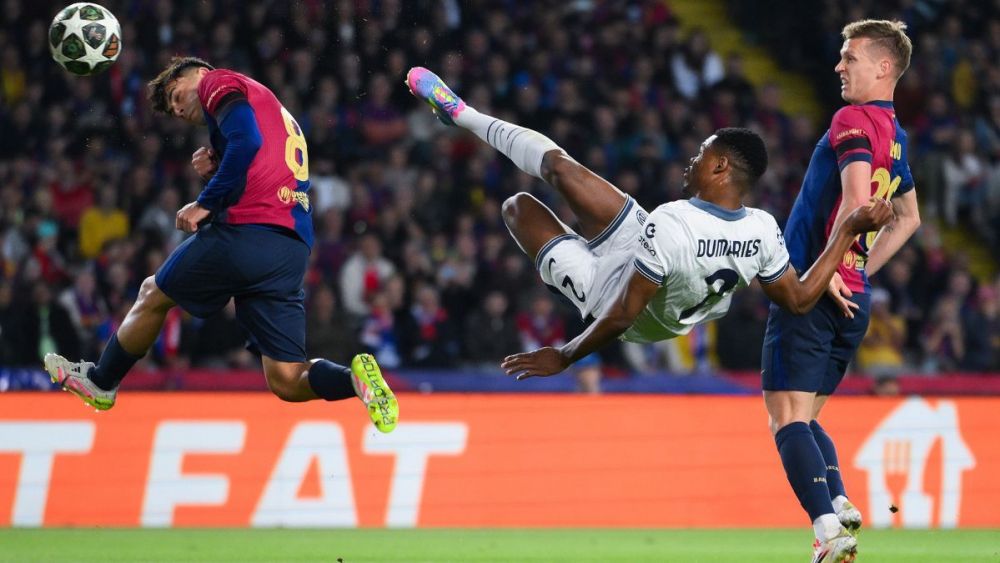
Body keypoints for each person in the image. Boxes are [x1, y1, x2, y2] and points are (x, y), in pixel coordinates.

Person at [405, 67, 892, 381]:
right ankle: (463, 114)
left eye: (700, 155)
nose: (690, 163)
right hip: (647, 250)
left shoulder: (674, 223)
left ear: (720, 167)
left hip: (619, 304)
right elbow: (801, 295)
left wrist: (566, 354)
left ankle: (565, 272)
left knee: (517, 207)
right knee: (558, 166)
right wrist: (847, 232)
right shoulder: (762, 228)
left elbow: (618, 317)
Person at [43, 57, 397, 433]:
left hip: (248, 232)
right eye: (173, 110)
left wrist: (205, 202)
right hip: (290, 248)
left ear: (196, 72)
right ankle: (356, 383)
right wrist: (221, 159)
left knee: (152, 292)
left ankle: (102, 381)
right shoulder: (267, 104)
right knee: (287, 379)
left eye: (175, 94)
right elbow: (260, 152)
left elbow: (247, 142)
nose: (178, 109)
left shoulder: (217, 82)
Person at [760, 20, 920, 562]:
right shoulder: (895, 133)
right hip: (854, 296)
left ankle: (829, 531)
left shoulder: (852, 119)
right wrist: (858, 269)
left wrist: (828, 271)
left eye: (849, 57)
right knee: (807, 418)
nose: (839, 66)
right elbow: (910, 218)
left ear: (883, 67)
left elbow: (856, 205)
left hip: (815, 289)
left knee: (785, 419)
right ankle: (841, 501)